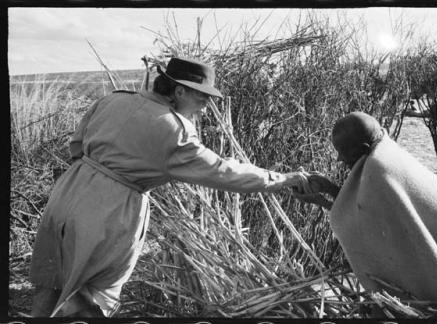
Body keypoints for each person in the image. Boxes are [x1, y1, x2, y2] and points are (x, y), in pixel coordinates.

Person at [29, 57, 311, 317]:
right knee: (92, 297)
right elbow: (224, 173)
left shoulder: (112, 100)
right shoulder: (174, 130)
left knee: (51, 282)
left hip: (67, 193)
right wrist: (283, 179)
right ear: (179, 92)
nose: (206, 104)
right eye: (202, 95)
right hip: (110, 211)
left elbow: (76, 146)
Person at [294, 111, 437, 318]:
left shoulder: (378, 170)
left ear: (362, 150)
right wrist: (327, 190)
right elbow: (369, 211)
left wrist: (319, 200)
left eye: (342, 152)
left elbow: (364, 225)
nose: (338, 158)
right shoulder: (387, 152)